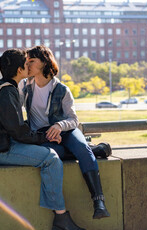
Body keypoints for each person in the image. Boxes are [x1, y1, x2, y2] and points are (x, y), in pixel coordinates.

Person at [0, 48, 87, 230]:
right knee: (50, 158)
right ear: (19, 70)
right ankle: (61, 218)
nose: (29, 67)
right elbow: (19, 132)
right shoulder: (8, 93)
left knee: (51, 153)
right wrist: (45, 137)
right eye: (26, 64)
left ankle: (62, 218)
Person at [18, 45, 110, 219]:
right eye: (26, 61)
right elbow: (15, 108)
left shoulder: (62, 89)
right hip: (44, 136)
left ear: (44, 62)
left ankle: (99, 202)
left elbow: (74, 120)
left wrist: (59, 126)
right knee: (54, 155)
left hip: (66, 130)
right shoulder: (25, 86)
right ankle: (96, 150)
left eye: (31, 61)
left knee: (82, 148)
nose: (27, 65)